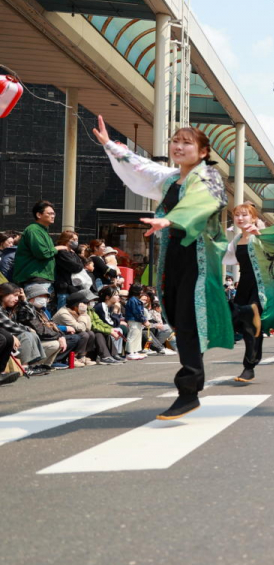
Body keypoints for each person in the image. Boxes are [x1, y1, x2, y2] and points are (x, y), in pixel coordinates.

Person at [95, 116, 234, 419]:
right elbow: (143, 168)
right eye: (175, 141)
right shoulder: (171, 179)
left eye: (187, 142)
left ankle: (188, 390)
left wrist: (171, 219)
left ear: (203, 151)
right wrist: (110, 145)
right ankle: (191, 386)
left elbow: (204, 201)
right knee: (178, 318)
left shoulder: (208, 176)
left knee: (188, 316)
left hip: (197, 257)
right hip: (172, 256)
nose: (179, 146)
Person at [224, 203, 274, 383]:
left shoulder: (262, 237)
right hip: (244, 285)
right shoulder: (236, 241)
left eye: (244, 215)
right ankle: (250, 365)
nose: (240, 218)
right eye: (236, 215)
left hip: (263, 287)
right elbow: (222, 257)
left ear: (254, 218)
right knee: (246, 327)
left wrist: (260, 233)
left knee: (252, 321)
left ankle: (249, 366)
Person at [12, 200, 67, 288]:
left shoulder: (42, 231)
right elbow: (42, 253)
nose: (53, 216)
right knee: (38, 302)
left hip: (41, 277)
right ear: (39, 215)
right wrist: (58, 248)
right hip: (34, 278)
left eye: (54, 214)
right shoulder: (34, 230)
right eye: (49, 213)